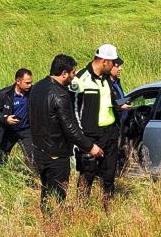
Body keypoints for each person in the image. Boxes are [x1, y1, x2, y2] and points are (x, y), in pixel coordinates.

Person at [29, 54, 103, 213]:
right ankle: (54, 226)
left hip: (39, 149)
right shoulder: (61, 95)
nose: (74, 76)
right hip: (56, 153)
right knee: (58, 194)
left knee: (46, 191)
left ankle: (46, 221)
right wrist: (90, 147)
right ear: (64, 73)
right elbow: (70, 129)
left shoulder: (37, 87)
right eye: (73, 73)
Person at [70, 44, 129, 211]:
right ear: (104, 61)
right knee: (87, 174)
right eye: (113, 63)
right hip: (90, 135)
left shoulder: (106, 79)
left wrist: (119, 106)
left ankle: (107, 208)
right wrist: (81, 139)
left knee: (109, 174)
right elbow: (73, 110)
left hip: (109, 133)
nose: (115, 66)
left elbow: (108, 101)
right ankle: (82, 208)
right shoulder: (80, 79)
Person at [0, 68, 35, 169]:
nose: (30, 85)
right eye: (27, 83)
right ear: (18, 81)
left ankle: (32, 180)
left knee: (31, 157)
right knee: (2, 157)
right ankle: (0, 176)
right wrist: (5, 118)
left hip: (26, 130)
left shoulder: (33, 93)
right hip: (8, 131)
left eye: (31, 82)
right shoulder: (3, 94)